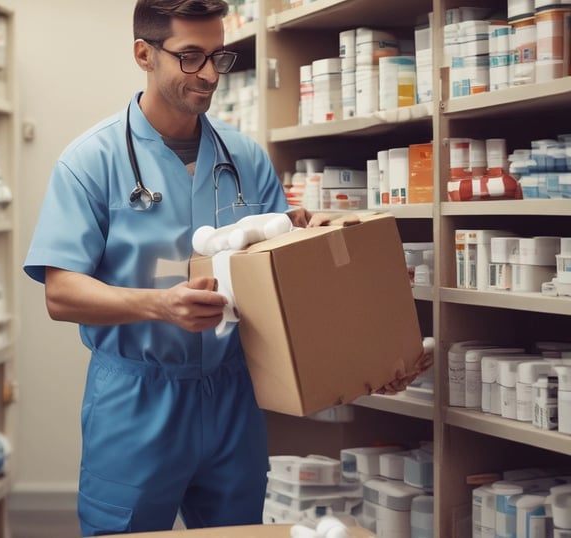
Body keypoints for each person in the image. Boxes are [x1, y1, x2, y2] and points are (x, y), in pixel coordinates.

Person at [23, 1, 428, 535]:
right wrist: (160, 306)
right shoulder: (90, 161)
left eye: (219, 56)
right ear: (144, 54)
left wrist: (371, 351)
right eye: (191, 56)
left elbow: (287, 283)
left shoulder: (245, 158)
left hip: (233, 397)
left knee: (238, 530)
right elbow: (60, 293)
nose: (210, 74)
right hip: (137, 400)